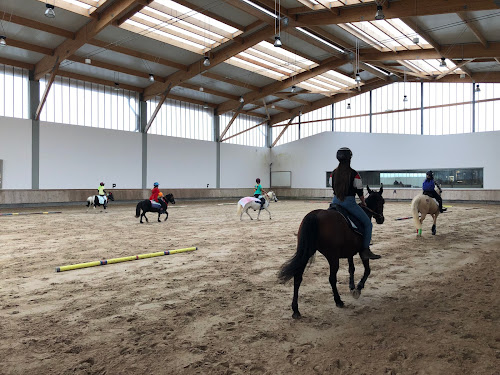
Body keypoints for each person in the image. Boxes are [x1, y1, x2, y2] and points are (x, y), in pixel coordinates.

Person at [330, 147, 381, 260]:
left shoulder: (333, 173)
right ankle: (365, 250)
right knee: (368, 224)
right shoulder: (354, 174)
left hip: (335, 202)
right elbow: (359, 191)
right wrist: (363, 202)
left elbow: (332, 186)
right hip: (349, 202)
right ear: (350, 158)